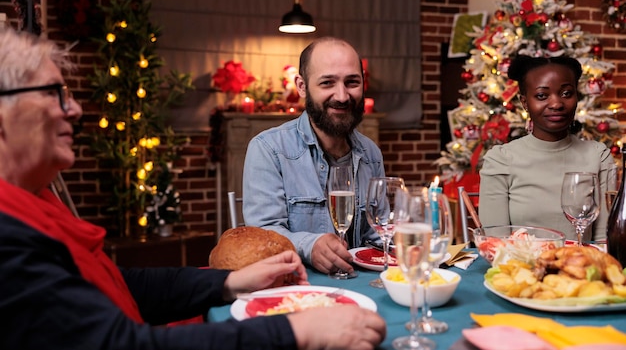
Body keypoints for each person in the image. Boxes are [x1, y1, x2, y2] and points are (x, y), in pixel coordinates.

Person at [0, 28, 386, 350]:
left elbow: (121, 282)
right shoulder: (9, 238)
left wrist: (228, 281)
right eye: (55, 94)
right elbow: (121, 344)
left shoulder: (34, 202)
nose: (75, 109)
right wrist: (297, 331)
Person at [242, 37, 385, 275]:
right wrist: (310, 245)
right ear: (302, 86)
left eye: (352, 82)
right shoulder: (268, 149)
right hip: (298, 290)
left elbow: (378, 236)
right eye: (327, 83)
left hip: (363, 287)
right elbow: (263, 234)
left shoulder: (371, 153)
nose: (342, 96)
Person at [479, 55, 614, 242]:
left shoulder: (598, 157)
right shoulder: (501, 160)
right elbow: (496, 242)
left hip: (581, 267)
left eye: (566, 93)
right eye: (542, 96)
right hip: (522, 268)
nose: (557, 104)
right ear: (525, 103)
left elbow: (603, 241)